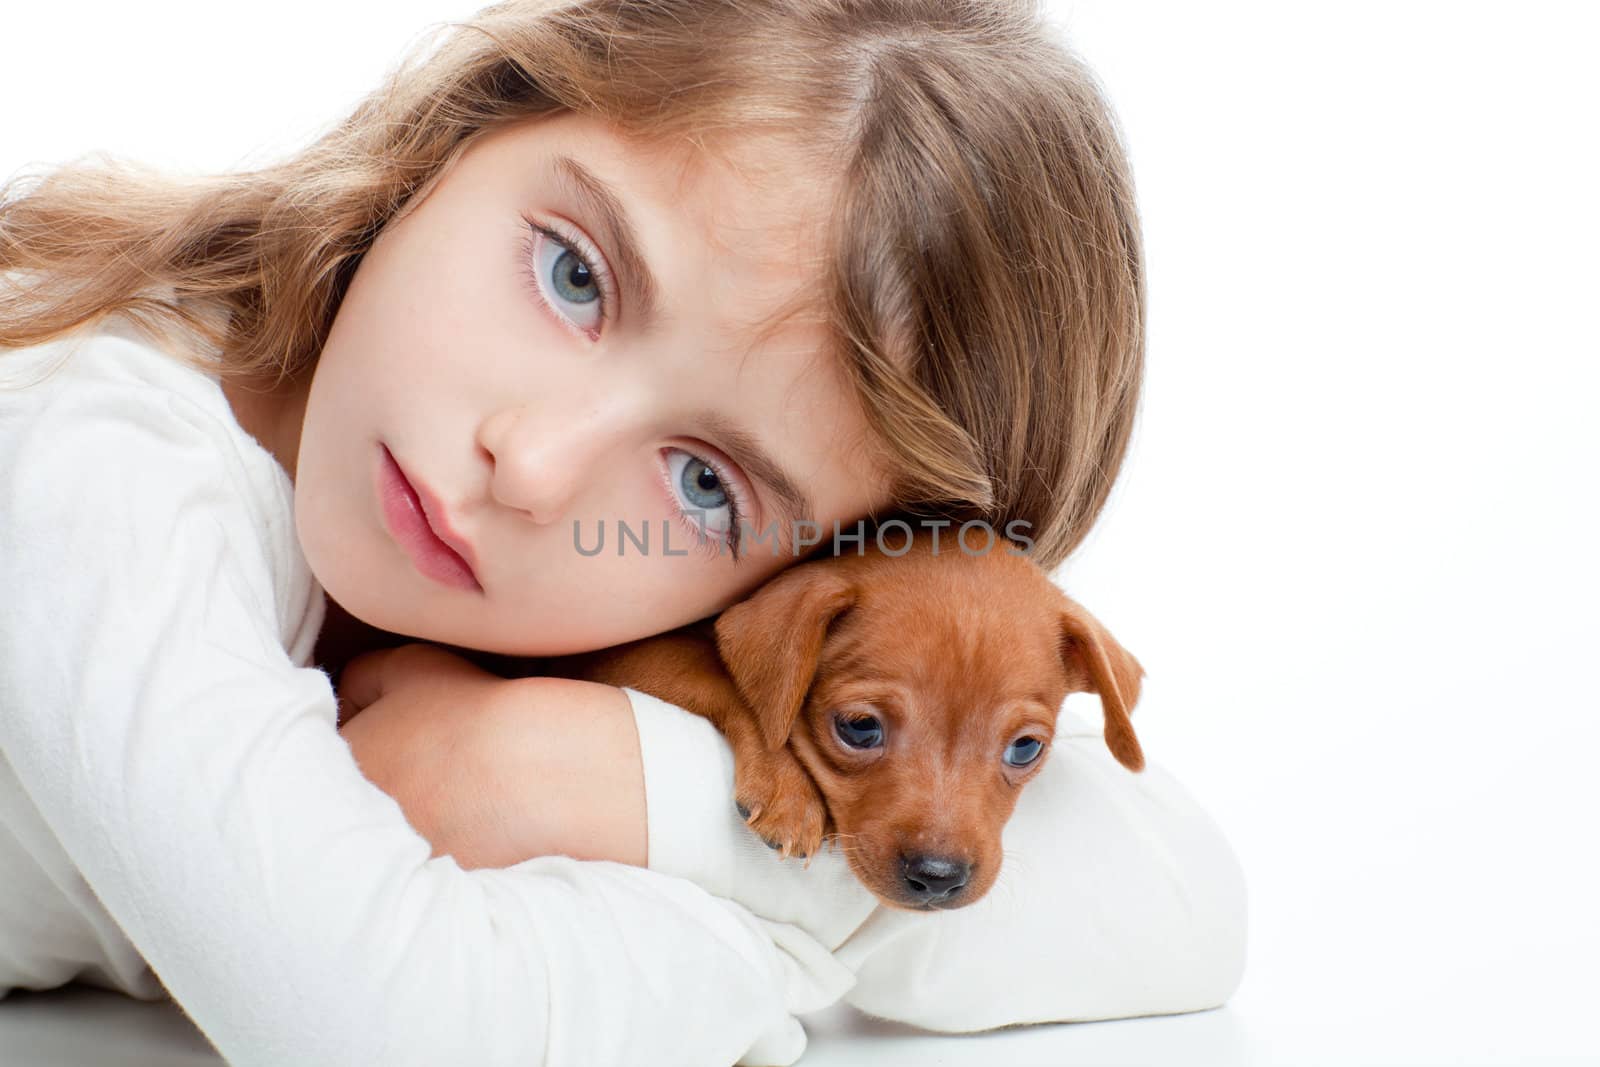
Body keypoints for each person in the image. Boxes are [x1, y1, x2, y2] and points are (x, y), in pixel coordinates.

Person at [0, 0, 1245, 1063]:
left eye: (706, 484)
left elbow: (1186, 900)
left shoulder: (646, 622)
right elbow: (392, 1031)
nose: (533, 464)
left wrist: (607, 774)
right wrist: (765, 916)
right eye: (576, 276)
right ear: (471, 120)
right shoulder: (88, 455)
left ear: (805, 578)